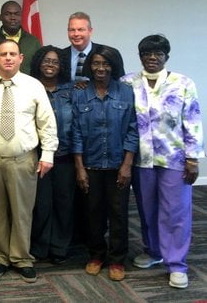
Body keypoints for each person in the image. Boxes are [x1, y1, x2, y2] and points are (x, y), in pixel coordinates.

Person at [121, 35, 204, 289]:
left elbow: (192, 120)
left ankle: (177, 263)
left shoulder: (183, 83)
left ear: (166, 56)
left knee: (175, 211)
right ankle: (153, 251)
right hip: (141, 159)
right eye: (147, 53)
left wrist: (192, 157)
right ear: (140, 56)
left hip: (175, 159)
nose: (152, 57)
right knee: (147, 209)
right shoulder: (128, 83)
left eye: (158, 53)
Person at [0, 39, 58, 283]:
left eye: (12, 54)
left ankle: (22, 258)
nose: (8, 58)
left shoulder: (33, 85)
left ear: (21, 58)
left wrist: (48, 154)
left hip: (23, 159)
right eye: (3, 54)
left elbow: (47, 122)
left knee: (22, 211)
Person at [72, 45, 138, 282]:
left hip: (118, 164)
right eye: (96, 63)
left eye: (106, 63)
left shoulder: (125, 92)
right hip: (90, 165)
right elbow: (76, 132)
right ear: (90, 66)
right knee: (93, 213)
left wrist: (127, 164)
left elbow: (133, 129)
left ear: (114, 66)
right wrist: (79, 167)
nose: (101, 68)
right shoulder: (80, 92)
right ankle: (96, 255)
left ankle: (118, 259)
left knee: (119, 214)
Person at [28, 46, 75, 264]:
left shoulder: (72, 89)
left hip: (65, 155)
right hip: (39, 157)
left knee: (64, 204)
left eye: (55, 62)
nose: (50, 65)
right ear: (39, 62)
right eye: (46, 60)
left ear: (62, 66)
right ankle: (39, 247)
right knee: (41, 204)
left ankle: (59, 248)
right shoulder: (30, 87)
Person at [0, 1, 40, 76]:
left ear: (21, 17)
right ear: (0, 17)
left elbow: (39, 70)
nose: (12, 18)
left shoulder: (33, 42)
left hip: (26, 86)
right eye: (7, 14)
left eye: (16, 14)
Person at [60, 12, 125, 82]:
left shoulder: (110, 54)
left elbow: (120, 83)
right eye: (72, 30)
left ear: (90, 31)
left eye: (80, 29)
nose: (76, 34)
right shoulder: (60, 56)